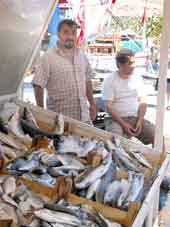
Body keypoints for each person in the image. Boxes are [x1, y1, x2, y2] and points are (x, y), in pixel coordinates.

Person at [32, 19, 96, 123]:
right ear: (58, 34)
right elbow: (38, 85)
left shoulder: (82, 55)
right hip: (60, 120)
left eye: (73, 33)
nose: (70, 37)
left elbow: (87, 80)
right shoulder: (48, 57)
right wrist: (41, 112)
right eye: (66, 32)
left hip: (84, 118)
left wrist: (92, 104)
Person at [102, 48, 155, 146]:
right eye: (130, 63)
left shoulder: (137, 78)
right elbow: (108, 107)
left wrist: (139, 120)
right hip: (115, 120)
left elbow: (143, 101)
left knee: (157, 135)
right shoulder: (109, 80)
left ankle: (159, 160)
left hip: (134, 117)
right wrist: (124, 124)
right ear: (120, 65)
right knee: (116, 142)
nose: (134, 66)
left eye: (134, 62)